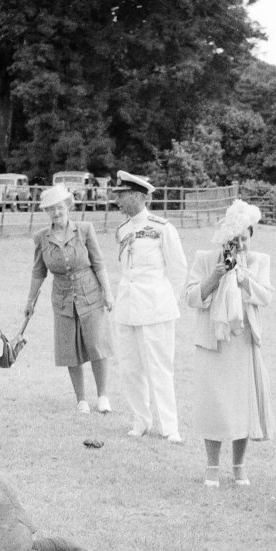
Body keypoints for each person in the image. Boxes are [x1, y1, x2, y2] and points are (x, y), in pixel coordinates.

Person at [185, 200, 274, 486]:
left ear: (251, 237)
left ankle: (239, 465)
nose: (239, 245)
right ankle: (212, 465)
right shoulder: (205, 258)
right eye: (233, 239)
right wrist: (217, 274)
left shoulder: (260, 261)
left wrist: (243, 277)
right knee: (214, 402)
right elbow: (190, 298)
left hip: (243, 340)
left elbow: (266, 297)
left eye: (244, 239)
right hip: (213, 341)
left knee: (241, 405)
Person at [21, 184, 114, 414]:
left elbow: (99, 263)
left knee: (96, 344)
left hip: (90, 293)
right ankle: (81, 399)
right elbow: (38, 272)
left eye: (60, 207)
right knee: (70, 349)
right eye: (51, 209)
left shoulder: (84, 229)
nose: (56, 213)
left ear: (68, 206)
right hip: (62, 299)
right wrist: (30, 301)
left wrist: (108, 293)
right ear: (46, 213)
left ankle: (102, 396)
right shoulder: (41, 238)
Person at [112, 170, 187, 443]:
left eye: (122, 195)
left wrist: (166, 302)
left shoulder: (162, 228)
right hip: (127, 309)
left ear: (137, 196)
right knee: (130, 369)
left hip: (156, 310)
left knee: (159, 370)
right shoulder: (121, 230)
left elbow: (178, 270)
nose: (117, 200)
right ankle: (140, 420)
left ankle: (169, 427)